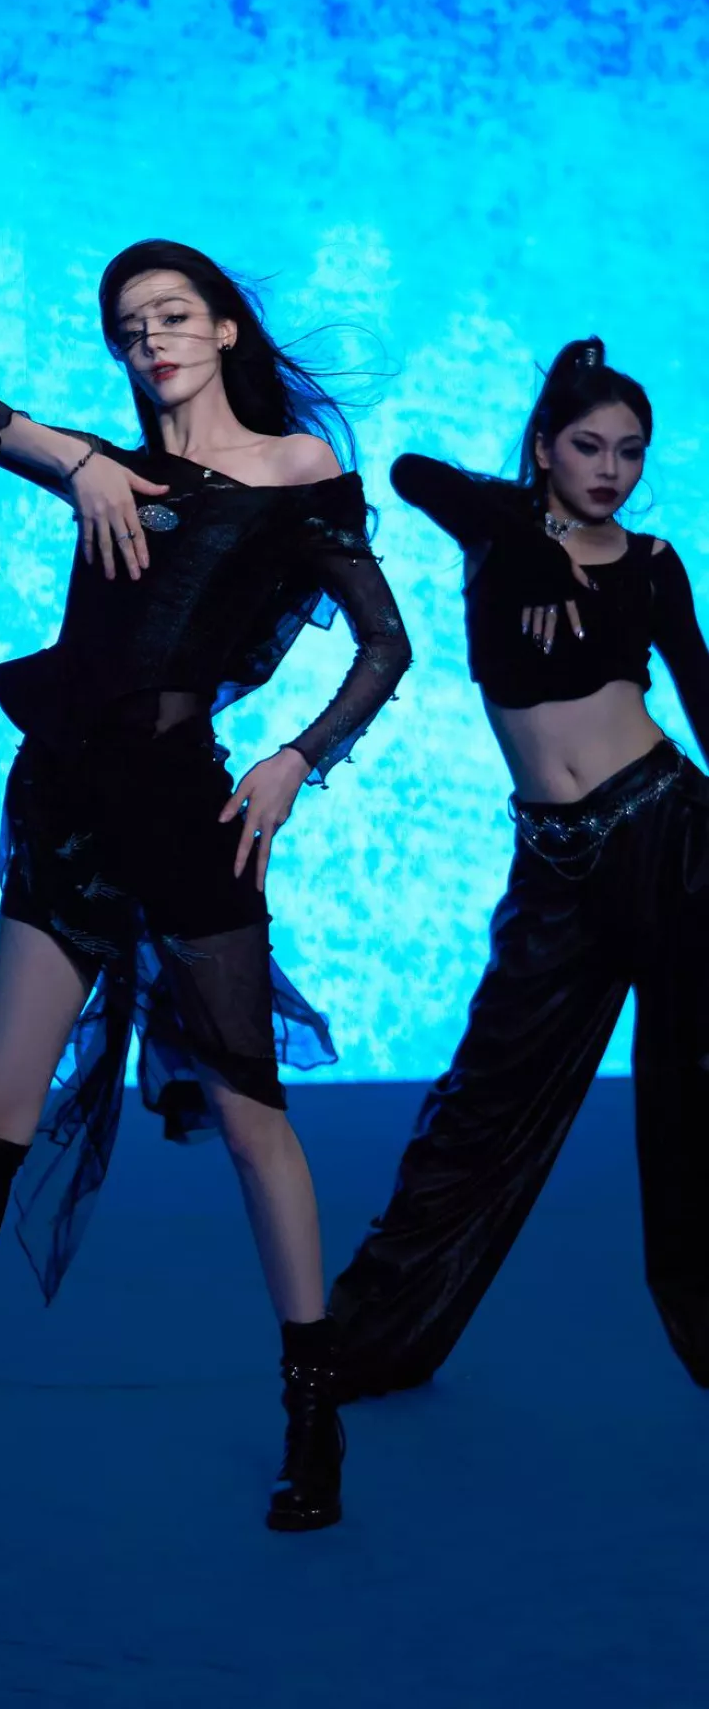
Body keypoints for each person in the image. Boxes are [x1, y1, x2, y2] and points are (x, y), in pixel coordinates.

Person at [0, 239, 411, 1532]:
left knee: (249, 1115)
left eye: (175, 315)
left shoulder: (301, 471)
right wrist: (75, 460)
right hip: (68, 806)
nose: (152, 339)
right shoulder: (101, 461)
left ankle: (312, 1413)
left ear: (228, 329)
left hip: (187, 816)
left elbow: (386, 644)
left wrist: (296, 760)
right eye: (130, 324)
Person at [328, 337, 709, 1397]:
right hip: (553, 861)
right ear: (544, 448)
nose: (610, 470)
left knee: (694, 1089)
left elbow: (700, 691)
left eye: (630, 451)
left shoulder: (652, 563)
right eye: (588, 446)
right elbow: (411, 472)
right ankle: (367, 1337)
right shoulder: (491, 527)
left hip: (668, 836)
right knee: (484, 1102)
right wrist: (529, 545)